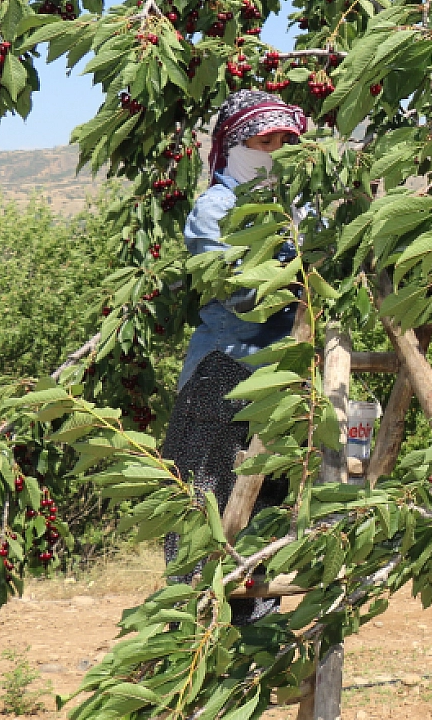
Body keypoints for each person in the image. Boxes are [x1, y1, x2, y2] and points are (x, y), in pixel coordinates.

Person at [161, 90, 309, 621]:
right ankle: (186, 628)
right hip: (225, 368)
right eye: (260, 141)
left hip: (285, 377)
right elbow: (237, 289)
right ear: (232, 146)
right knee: (203, 501)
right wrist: (294, 265)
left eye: (280, 142)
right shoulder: (216, 208)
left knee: (268, 504)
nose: (270, 151)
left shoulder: (296, 202)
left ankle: (252, 631)